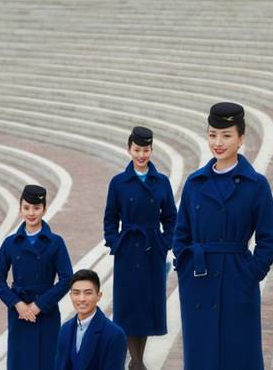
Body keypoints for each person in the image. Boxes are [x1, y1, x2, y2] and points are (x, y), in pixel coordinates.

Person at [173, 102, 273, 369]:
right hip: (199, 278)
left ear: (241, 138)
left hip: (237, 279)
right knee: (202, 355)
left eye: (226, 135)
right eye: (212, 135)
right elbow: (181, 233)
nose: (218, 142)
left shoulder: (255, 184)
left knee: (239, 353)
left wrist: (251, 272)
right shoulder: (195, 183)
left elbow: (269, 237)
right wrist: (185, 266)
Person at [102, 126, 176, 370]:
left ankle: (136, 360)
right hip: (127, 249)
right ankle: (136, 362)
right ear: (129, 150)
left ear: (152, 150)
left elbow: (171, 218)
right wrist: (115, 243)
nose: (141, 155)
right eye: (137, 150)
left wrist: (165, 242)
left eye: (146, 150)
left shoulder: (161, 182)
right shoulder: (119, 182)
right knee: (128, 305)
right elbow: (110, 217)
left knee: (145, 306)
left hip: (151, 249)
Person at [0, 185, 75, 370]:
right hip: (19, 313)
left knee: (47, 361)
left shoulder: (56, 242)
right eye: (27, 207)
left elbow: (66, 278)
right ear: (20, 209)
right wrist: (17, 304)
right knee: (20, 362)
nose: (31, 213)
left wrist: (40, 305)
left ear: (44, 209)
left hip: (46, 312)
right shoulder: (10, 243)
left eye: (36, 208)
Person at [54, 269, 128, 370]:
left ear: (99, 296)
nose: (81, 299)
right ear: (70, 296)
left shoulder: (115, 335)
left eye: (88, 293)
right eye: (76, 293)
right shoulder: (65, 329)